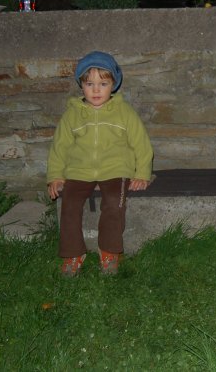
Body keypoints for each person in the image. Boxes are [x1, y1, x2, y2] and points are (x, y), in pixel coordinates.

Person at [47, 51, 153, 277]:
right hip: (79, 171)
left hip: (116, 170)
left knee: (114, 202)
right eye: (90, 84)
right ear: (81, 85)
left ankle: (109, 252)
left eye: (103, 84)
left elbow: (141, 144)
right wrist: (55, 176)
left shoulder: (124, 112)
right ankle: (73, 254)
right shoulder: (72, 115)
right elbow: (59, 147)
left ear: (113, 85)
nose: (96, 90)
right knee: (69, 204)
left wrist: (142, 173)